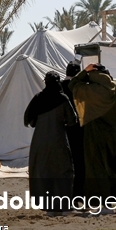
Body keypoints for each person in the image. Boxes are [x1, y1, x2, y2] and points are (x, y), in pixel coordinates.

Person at [69, 63, 116, 212]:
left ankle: (103, 202)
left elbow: (73, 84)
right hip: (114, 134)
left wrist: (84, 72)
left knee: (97, 168)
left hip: (95, 135)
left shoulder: (91, 89)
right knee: (110, 167)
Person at [24, 71, 78, 215]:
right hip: (59, 140)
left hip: (39, 142)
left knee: (43, 172)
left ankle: (48, 207)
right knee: (62, 172)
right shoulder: (63, 98)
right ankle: (63, 206)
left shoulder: (38, 98)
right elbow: (73, 120)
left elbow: (29, 120)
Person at [61, 62, 85, 196]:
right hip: (77, 130)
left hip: (61, 131)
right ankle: (78, 194)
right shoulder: (79, 88)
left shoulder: (58, 87)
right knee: (79, 163)